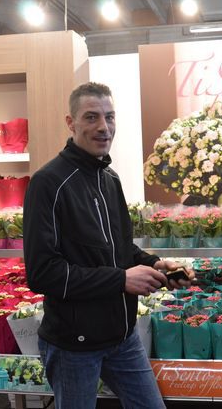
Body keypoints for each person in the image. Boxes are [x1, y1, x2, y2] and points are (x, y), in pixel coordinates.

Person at [24, 82, 194, 409]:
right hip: (73, 345)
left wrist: (155, 264)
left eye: (110, 117)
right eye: (91, 117)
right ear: (71, 123)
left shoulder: (109, 178)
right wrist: (121, 280)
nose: (104, 127)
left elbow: (121, 249)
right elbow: (43, 273)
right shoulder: (48, 183)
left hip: (122, 337)